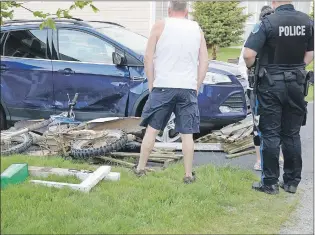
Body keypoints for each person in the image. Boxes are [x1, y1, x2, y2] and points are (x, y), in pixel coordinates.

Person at [243, 1, 314, 195]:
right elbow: (311, 53)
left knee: (270, 133)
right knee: (292, 133)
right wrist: (297, 68)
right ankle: (291, 182)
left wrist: (252, 67)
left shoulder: (267, 22)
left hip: (271, 85)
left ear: (274, 2)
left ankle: (270, 182)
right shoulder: (307, 22)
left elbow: (249, 54)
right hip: (296, 84)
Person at [134, 1, 209, 183]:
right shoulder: (196, 29)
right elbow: (204, 62)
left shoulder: (160, 25)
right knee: (187, 133)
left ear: (169, 10)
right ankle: (188, 175)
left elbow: (148, 58)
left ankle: (141, 168)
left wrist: (152, 84)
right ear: (186, 11)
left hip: (164, 85)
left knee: (152, 129)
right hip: (187, 87)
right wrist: (196, 85)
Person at [238, 5, 284, 171]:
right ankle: (263, 159)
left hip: (265, 87)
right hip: (262, 87)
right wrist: (251, 76)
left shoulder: (259, 35)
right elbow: (243, 62)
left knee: (261, 124)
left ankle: (271, 158)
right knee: (266, 124)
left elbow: (245, 59)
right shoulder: (256, 38)